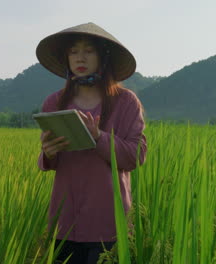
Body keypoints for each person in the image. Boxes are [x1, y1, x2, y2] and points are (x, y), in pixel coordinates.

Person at [35, 22, 147, 264]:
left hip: (108, 223)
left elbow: (135, 156)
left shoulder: (126, 103)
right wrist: (48, 152)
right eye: (73, 51)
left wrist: (99, 137)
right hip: (65, 222)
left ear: (103, 56)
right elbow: (49, 161)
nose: (80, 57)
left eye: (88, 50)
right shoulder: (54, 103)